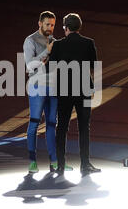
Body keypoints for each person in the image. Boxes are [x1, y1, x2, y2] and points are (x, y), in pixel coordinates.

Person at [49, 13, 100, 177]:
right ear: (79, 27)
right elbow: (93, 65)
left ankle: (60, 165)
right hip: (84, 89)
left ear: (66, 28)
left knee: (62, 127)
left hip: (64, 89)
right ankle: (85, 164)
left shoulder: (58, 45)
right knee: (84, 127)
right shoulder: (88, 42)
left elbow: (51, 67)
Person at [23, 11, 72, 174]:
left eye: (52, 25)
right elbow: (30, 66)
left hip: (53, 88)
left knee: (52, 124)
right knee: (34, 123)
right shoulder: (30, 40)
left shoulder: (55, 42)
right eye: (47, 24)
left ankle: (54, 161)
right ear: (39, 23)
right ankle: (32, 161)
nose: (50, 28)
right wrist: (47, 52)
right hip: (37, 86)